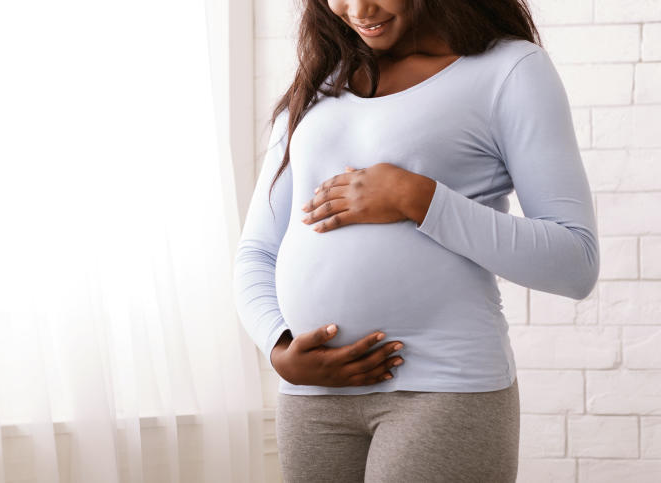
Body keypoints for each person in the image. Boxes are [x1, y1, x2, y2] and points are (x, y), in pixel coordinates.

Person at [231, 1, 599, 482]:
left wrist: (418, 197)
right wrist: (279, 347)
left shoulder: (508, 70)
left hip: (444, 391)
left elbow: (575, 262)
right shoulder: (319, 83)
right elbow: (258, 251)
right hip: (313, 400)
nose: (358, 9)